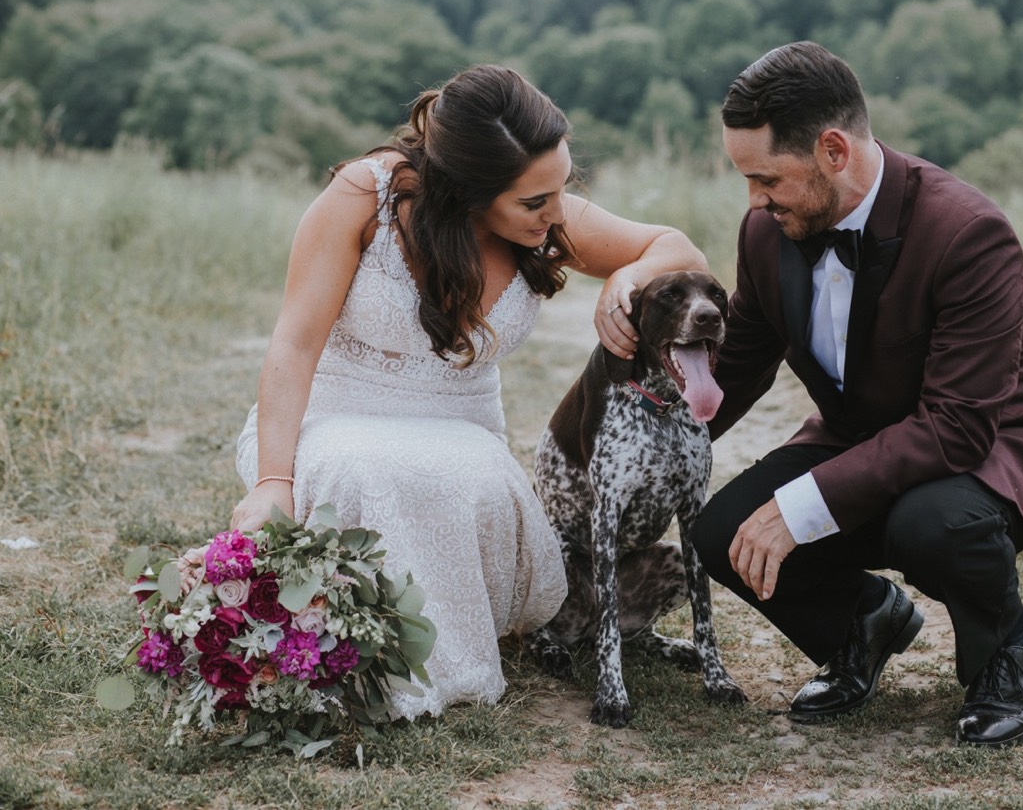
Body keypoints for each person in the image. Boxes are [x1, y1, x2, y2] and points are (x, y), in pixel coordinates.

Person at [230, 64, 708, 718]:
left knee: (472, 483)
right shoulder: (361, 196)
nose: (554, 213)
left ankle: (419, 649)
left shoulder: (547, 213)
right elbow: (293, 345)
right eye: (533, 202)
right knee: (361, 470)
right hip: (335, 413)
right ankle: (355, 660)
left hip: (460, 429)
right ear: (465, 190)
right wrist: (271, 483)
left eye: (560, 190)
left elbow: (676, 248)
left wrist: (627, 281)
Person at [692, 41, 1023, 747]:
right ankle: (863, 623)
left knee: (929, 520)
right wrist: (652, 438)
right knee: (721, 531)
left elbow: (958, 427)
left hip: (989, 449)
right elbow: (737, 366)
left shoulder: (969, 233)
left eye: (765, 179)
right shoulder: (766, 231)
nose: (753, 200)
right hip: (860, 438)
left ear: (833, 151)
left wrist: (801, 507)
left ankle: (1002, 653)